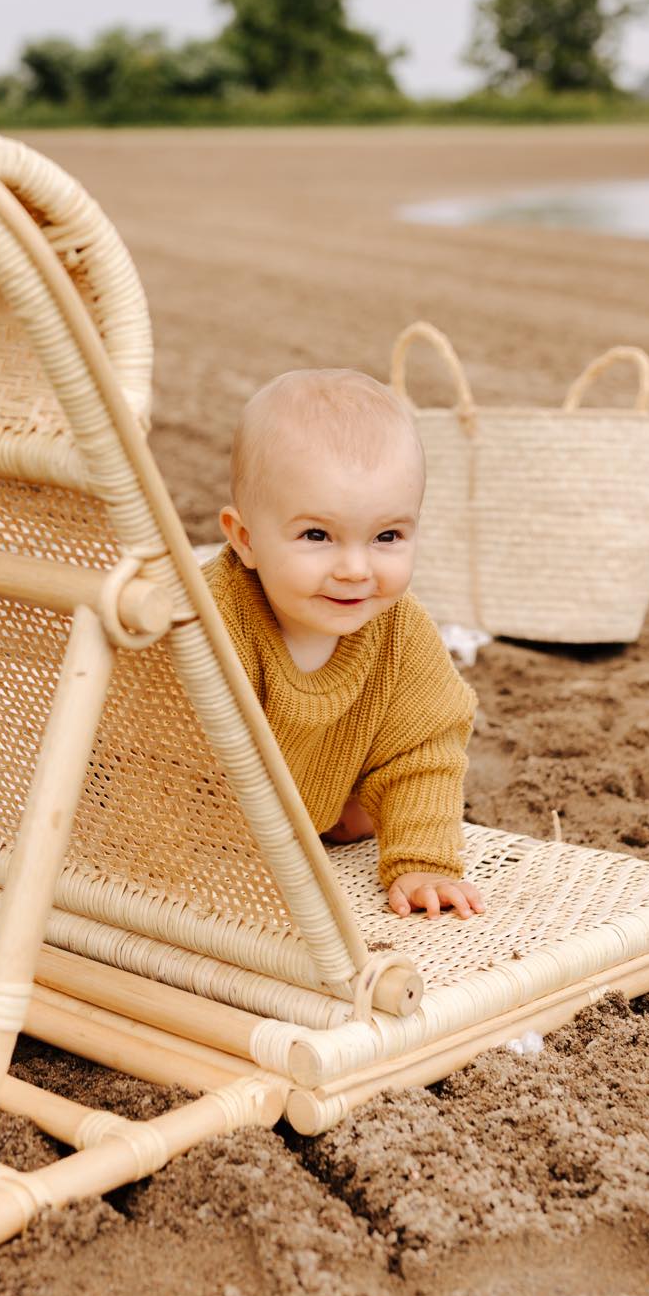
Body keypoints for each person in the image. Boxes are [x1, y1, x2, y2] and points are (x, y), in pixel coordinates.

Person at [205, 367, 484, 920]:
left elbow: (424, 750)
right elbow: (160, 759)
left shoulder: (400, 629)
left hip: (308, 790)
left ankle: (332, 803)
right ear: (246, 539)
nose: (356, 569)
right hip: (201, 812)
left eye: (387, 537)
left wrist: (422, 860)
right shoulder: (213, 622)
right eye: (317, 535)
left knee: (382, 793)